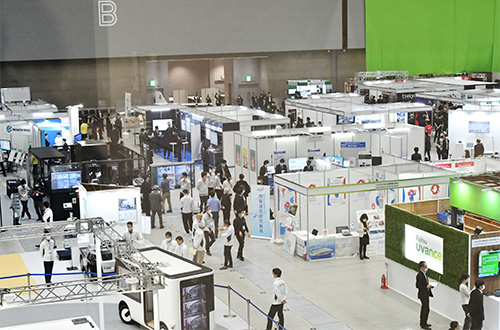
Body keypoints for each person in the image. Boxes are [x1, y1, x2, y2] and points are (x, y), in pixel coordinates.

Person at [416, 261, 433, 329]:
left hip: (426, 294)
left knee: (426, 308)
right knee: (425, 309)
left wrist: (430, 286)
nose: (426, 268)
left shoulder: (425, 274)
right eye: (425, 267)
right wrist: (426, 287)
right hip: (423, 294)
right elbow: (418, 285)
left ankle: (424, 322)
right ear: (421, 267)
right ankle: (423, 323)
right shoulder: (419, 275)